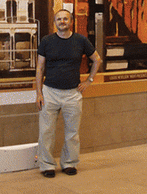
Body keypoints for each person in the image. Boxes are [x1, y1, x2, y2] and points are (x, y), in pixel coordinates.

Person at [36, 9, 102, 178]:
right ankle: (47, 166)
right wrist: (39, 93)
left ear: (71, 21)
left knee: (72, 132)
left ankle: (69, 163)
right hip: (49, 92)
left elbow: (97, 60)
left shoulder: (81, 40)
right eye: (59, 19)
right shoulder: (46, 41)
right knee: (46, 131)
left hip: (73, 94)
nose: (62, 21)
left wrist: (89, 80)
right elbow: (40, 68)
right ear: (55, 22)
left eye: (65, 19)